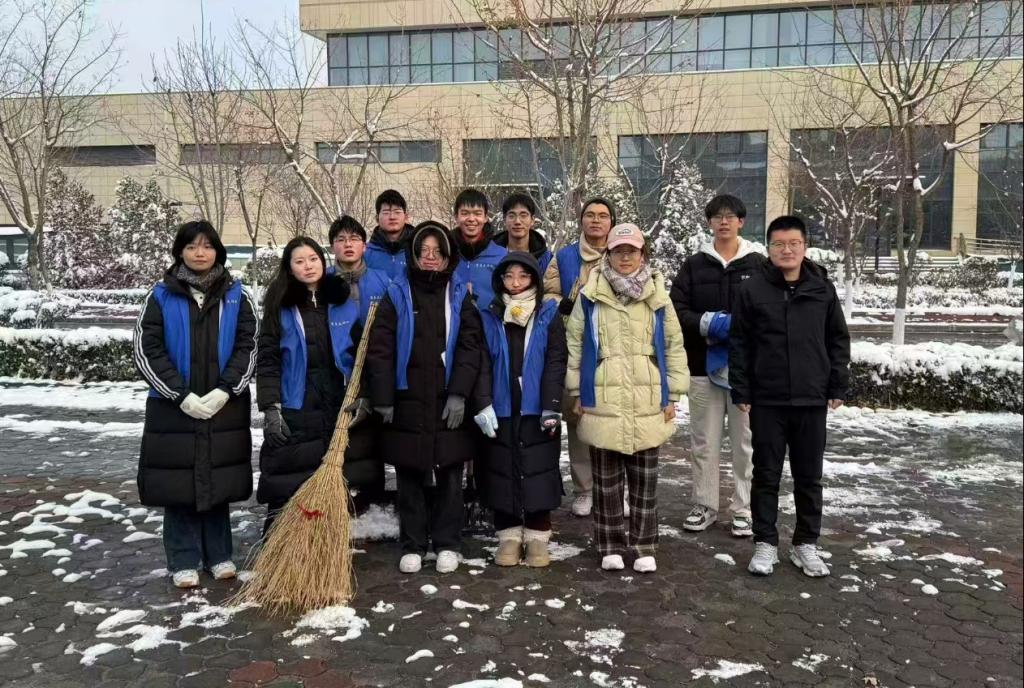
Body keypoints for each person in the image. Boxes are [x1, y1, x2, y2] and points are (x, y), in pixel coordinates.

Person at [134, 220, 258, 589]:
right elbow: (146, 349)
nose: (199, 253)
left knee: (217, 479)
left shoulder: (237, 295)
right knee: (178, 483)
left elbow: (249, 345)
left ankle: (219, 554)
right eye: (191, 246)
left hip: (224, 406)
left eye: (206, 246)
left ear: (218, 251)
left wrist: (226, 389)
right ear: (180, 252)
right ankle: (183, 558)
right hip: (174, 407)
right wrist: (180, 395)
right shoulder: (161, 295)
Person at [729, 215, 850, 578]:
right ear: (768, 248)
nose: (787, 250)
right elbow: (740, 343)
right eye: (779, 244)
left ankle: (805, 543)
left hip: (811, 398)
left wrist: (837, 384)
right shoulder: (752, 290)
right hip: (767, 399)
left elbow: (837, 339)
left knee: (809, 476)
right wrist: (741, 388)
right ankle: (765, 542)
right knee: (766, 474)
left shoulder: (822, 288)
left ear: (804, 246)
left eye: (794, 243)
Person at [366, 221, 489, 574]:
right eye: (424, 251)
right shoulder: (396, 293)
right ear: (414, 255)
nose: (430, 257)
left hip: (447, 399)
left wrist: (460, 393)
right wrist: (384, 397)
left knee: (450, 471)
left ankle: (448, 542)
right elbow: (380, 348)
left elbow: (470, 347)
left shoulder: (459, 295)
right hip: (408, 397)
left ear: (448, 256)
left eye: (437, 251)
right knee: (409, 472)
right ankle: (413, 543)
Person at [566, 223, 689, 573]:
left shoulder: (658, 296)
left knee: (644, 481)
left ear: (642, 254)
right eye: (618, 251)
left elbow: (673, 345)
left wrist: (673, 393)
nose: (625, 257)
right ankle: (609, 544)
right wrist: (576, 390)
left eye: (631, 251)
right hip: (602, 395)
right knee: (606, 481)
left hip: (646, 396)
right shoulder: (590, 296)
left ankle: (644, 544)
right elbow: (575, 343)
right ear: (608, 254)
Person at [669, 194, 765, 538]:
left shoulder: (758, 264)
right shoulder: (695, 265)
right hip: (701, 368)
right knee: (704, 442)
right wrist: (707, 323)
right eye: (717, 216)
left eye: (730, 216)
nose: (724, 221)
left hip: (745, 372)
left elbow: (769, 311)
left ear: (741, 221)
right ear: (709, 222)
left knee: (745, 444)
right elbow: (676, 309)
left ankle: (744, 508)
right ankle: (705, 504)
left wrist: (739, 326)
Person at [255, 237, 356, 536]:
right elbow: (268, 359)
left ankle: (322, 543)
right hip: (295, 403)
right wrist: (270, 407)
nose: (308, 266)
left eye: (313, 259)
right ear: (289, 268)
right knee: (289, 477)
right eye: (299, 261)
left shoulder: (339, 302)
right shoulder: (280, 305)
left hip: (335, 402)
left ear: (323, 262)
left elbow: (358, 350)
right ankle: (281, 541)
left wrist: (360, 393)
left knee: (329, 476)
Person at [474, 252, 567, 567]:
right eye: (509, 276)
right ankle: (509, 535)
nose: (515, 283)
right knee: (501, 468)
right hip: (501, 405)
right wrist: (483, 401)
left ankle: (538, 535)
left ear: (534, 280)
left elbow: (556, 360)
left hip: (536, 406)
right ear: (500, 280)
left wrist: (551, 405)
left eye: (523, 276)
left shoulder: (548, 314)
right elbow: (481, 361)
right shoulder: (490, 314)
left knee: (538, 467)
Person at [542, 196, 615, 517]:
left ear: (612, 222)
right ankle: (584, 490)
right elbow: (547, 293)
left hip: (614, 349)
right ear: (581, 220)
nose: (596, 220)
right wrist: (564, 304)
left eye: (603, 215)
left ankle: (614, 489)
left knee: (613, 419)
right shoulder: (565, 256)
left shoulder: (623, 251)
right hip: (575, 347)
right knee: (579, 420)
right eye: (590, 215)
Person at [328, 215, 392, 510]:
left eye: (354, 239)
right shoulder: (323, 282)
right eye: (341, 239)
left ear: (364, 246)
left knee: (371, 441)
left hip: (374, 371)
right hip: (335, 375)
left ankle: (372, 503)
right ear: (332, 246)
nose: (348, 244)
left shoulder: (382, 280)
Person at [452, 188, 506, 308]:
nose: (471, 219)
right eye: (465, 213)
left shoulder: (501, 256)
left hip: (490, 319)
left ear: (486, 217)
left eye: (477, 213)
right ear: (456, 217)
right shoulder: (447, 252)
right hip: (454, 319)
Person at [493, 193, 552, 275]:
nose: (517, 221)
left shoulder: (546, 260)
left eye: (523, 215)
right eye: (511, 216)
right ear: (504, 220)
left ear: (532, 220)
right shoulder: (490, 255)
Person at [365, 189, 414, 279]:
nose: (392, 217)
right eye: (386, 212)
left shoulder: (417, 250)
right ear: (377, 218)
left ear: (406, 217)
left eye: (397, 212)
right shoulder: (365, 253)